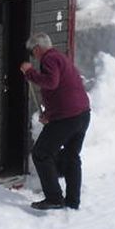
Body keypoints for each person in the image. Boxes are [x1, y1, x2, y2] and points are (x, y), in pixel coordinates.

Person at [19, 32, 91, 211]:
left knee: (41, 153)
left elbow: (51, 83)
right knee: (71, 156)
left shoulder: (49, 59)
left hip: (68, 118)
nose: (33, 56)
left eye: (32, 52)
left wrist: (29, 72)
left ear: (37, 49)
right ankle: (73, 201)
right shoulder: (60, 58)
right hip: (82, 114)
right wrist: (49, 115)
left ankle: (54, 198)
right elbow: (61, 91)